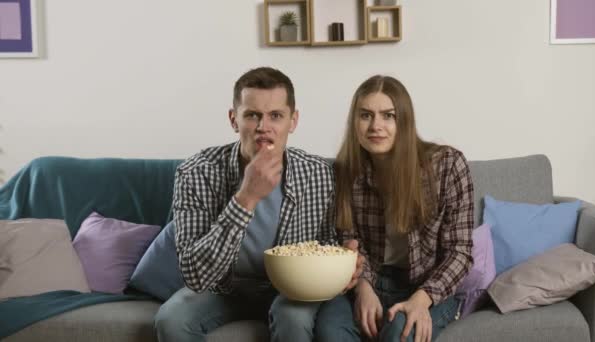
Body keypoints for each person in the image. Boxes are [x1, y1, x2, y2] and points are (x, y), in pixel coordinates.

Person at [154, 67, 359, 342]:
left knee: (294, 318)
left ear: (293, 120)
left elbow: (326, 246)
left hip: (290, 288)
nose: (264, 127)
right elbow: (194, 275)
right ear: (233, 119)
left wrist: (344, 264)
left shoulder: (318, 173)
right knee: (172, 320)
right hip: (223, 287)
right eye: (252, 115)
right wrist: (246, 198)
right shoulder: (196, 172)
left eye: (276, 116)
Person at [319, 75, 474, 342]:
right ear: (354, 122)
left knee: (399, 332)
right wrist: (363, 289)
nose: (376, 126)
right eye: (366, 115)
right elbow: (348, 239)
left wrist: (422, 300)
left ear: (404, 120)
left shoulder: (448, 165)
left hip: (428, 286)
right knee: (329, 331)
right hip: (371, 280)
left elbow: (460, 252)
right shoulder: (344, 172)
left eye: (388, 116)